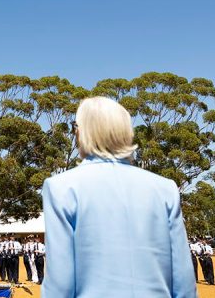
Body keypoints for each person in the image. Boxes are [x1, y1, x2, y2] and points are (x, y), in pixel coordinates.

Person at [42, 96, 197, 298]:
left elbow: (60, 285)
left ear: (81, 131)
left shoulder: (61, 188)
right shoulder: (165, 188)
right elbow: (184, 284)